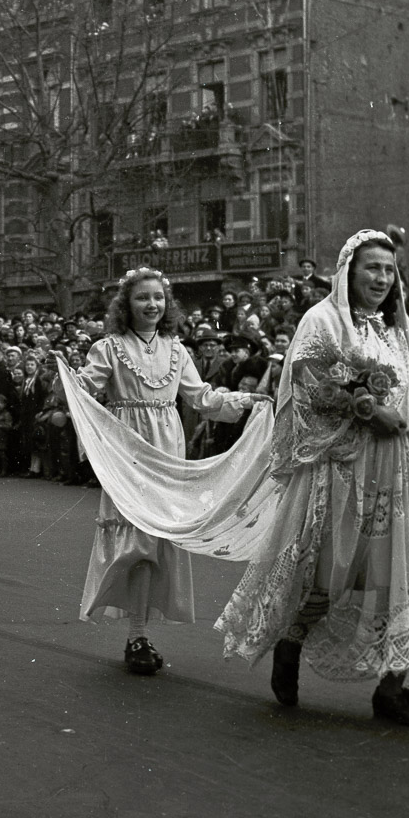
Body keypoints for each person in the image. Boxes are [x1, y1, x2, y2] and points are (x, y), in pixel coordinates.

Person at [216, 230, 409, 727]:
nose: (382, 278)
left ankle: (392, 687)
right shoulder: (322, 320)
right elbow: (306, 389)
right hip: (342, 466)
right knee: (331, 571)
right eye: (372, 267)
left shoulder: (399, 330)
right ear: (348, 269)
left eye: (389, 270)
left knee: (399, 575)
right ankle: (289, 643)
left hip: (398, 467)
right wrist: (366, 409)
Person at [57, 266, 268, 676]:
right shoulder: (110, 348)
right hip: (130, 455)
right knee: (135, 545)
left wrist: (245, 401)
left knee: (158, 545)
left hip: (168, 453)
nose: (152, 304)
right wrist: (66, 379)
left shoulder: (176, 349)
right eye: (142, 297)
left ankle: (140, 634)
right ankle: (136, 635)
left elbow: (202, 398)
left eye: (158, 297)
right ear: (126, 304)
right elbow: (85, 390)